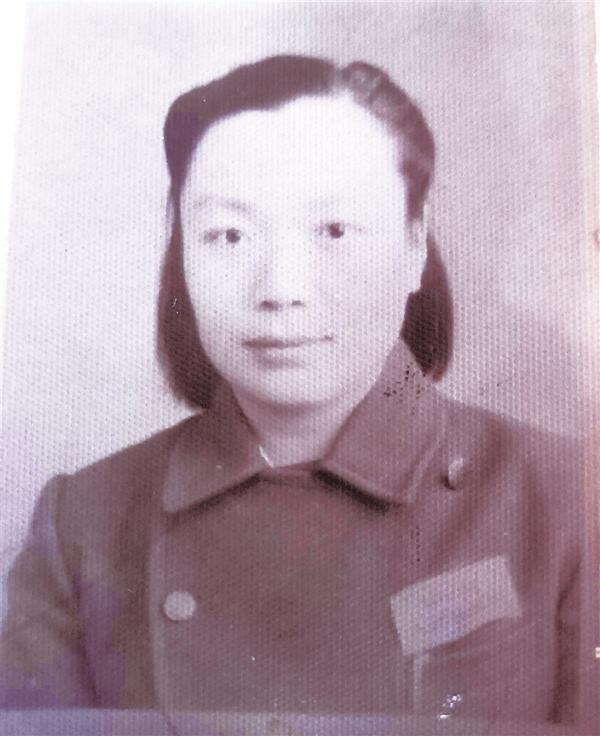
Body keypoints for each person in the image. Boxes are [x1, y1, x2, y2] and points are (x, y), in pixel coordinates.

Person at [0, 55, 597, 727]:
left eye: (334, 231)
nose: (281, 289)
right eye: (229, 235)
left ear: (414, 244)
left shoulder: (567, 499)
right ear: (183, 256)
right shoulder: (83, 524)